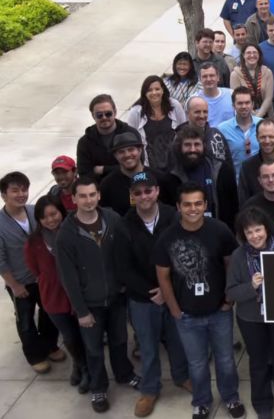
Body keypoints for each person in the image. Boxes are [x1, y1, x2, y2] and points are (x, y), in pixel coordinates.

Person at [154, 182, 244, 419]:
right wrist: (174, 309)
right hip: (186, 315)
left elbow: (231, 265)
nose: (192, 209)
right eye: (187, 204)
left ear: (205, 205)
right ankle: (202, 402)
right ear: (178, 207)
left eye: (197, 204)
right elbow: (163, 276)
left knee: (226, 360)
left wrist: (228, 300)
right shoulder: (167, 237)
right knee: (196, 363)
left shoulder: (220, 230)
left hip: (219, 311)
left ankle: (231, 397)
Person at [55, 177, 138, 413]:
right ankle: (98, 387)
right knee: (93, 349)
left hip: (116, 297)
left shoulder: (113, 219)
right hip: (90, 305)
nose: (88, 200)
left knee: (120, 340)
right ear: (73, 199)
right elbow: (68, 278)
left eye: (92, 195)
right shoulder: (66, 235)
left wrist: (124, 284)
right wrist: (81, 311)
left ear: (99, 195)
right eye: (82, 196)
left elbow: (125, 252)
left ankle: (124, 374)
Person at [113, 171, 190, 416]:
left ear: (157, 191)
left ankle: (182, 376)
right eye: (138, 192)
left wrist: (168, 289)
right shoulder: (124, 225)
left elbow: (183, 254)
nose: (144, 196)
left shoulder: (174, 217)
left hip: (173, 293)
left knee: (178, 340)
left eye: (148, 190)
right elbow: (123, 268)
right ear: (132, 196)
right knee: (148, 347)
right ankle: (150, 389)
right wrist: (152, 293)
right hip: (143, 299)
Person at [225, 208, 274, 419]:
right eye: (249, 232)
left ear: (267, 229)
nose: (255, 236)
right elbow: (230, 292)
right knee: (258, 362)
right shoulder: (238, 256)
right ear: (243, 234)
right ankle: (262, 404)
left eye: (258, 230)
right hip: (251, 318)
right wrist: (251, 286)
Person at [0, 172, 60, 374]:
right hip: (20, 282)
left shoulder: (35, 211)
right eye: (15, 190)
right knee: (25, 320)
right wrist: (14, 285)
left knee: (50, 313)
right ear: (4, 195)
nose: (21, 194)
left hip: (44, 278)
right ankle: (35, 356)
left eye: (24, 189)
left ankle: (50, 346)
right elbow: (0, 260)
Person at [26, 195, 88, 392]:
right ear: (39, 220)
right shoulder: (34, 242)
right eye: (44, 217)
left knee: (84, 335)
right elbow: (35, 270)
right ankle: (80, 365)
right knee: (69, 337)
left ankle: (88, 369)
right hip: (53, 298)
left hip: (79, 296)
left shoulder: (76, 231)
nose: (50, 220)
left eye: (53, 214)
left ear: (62, 211)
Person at [166, 125, 239, 224]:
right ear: (180, 147)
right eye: (187, 145)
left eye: (197, 144)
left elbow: (234, 207)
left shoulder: (222, 170)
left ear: (204, 146)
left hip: (219, 229)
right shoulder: (171, 177)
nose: (192, 149)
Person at [77, 94, 140, 182]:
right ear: (93, 116)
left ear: (115, 112)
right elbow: (84, 174)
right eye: (99, 115)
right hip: (98, 188)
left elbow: (138, 166)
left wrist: (104, 169)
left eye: (108, 114)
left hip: (130, 185)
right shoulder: (84, 142)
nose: (104, 118)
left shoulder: (131, 134)